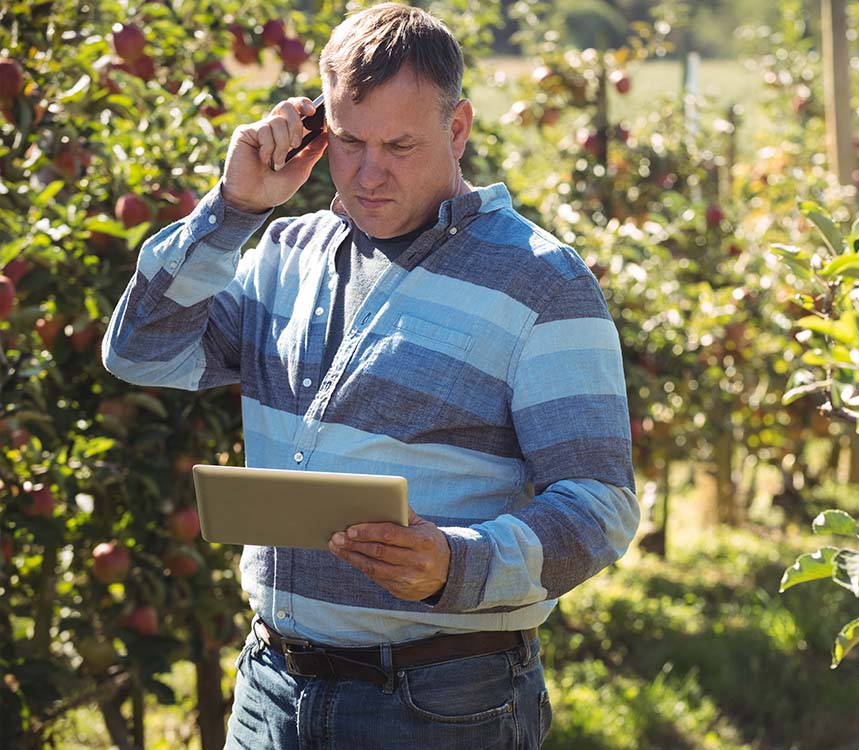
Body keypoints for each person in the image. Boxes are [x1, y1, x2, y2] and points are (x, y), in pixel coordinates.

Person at [101, 5, 638, 748]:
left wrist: (458, 563)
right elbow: (139, 351)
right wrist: (232, 210)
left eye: (400, 144)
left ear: (457, 130)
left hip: (440, 702)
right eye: (348, 142)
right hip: (272, 688)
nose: (368, 172)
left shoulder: (540, 282)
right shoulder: (284, 254)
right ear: (317, 130)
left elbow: (599, 505)